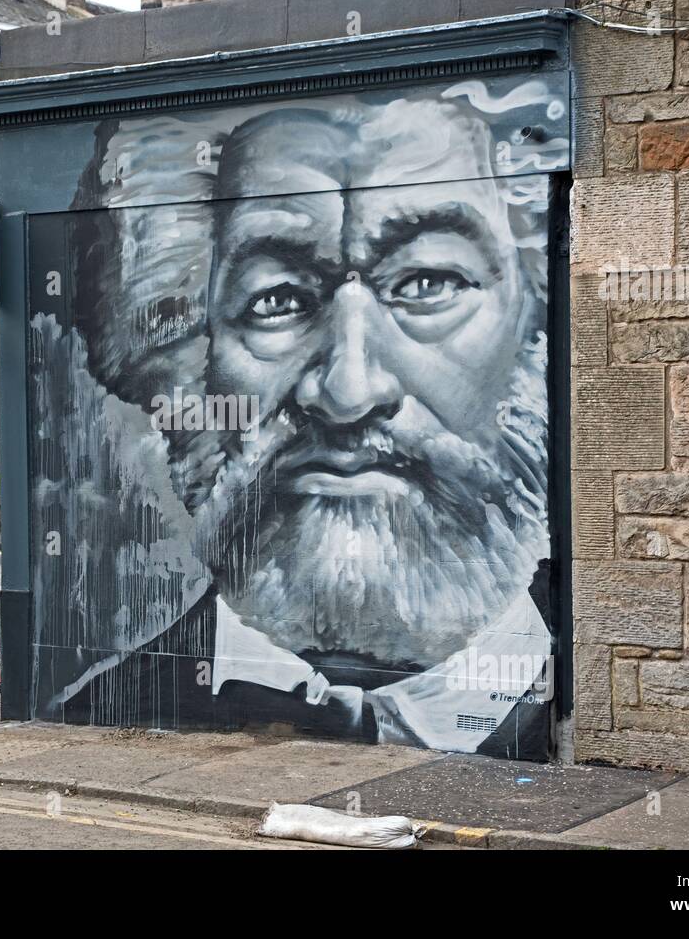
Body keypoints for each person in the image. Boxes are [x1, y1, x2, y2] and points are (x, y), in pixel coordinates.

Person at [46, 82, 565, 755]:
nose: (348, 391)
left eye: (428, 283)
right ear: (188, 359)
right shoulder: (103, 713)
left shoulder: (605, 673)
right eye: (277, 298)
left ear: (534, 326)